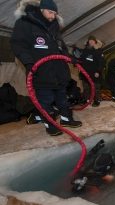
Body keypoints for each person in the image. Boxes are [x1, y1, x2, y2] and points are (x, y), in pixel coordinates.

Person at [11, 0, 82, 136]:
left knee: (62, 98)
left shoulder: (53, 26)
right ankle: (49, 124)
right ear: (41, 9)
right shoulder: (25, 23)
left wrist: (69, 58)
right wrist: (28, 62)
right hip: (41, 72)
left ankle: (66, 119)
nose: (53, 16)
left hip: (59, 72)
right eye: (50, 12)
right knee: (45, 100)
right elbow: (18, 45)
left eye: (55, 13)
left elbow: (61, 46)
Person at [79, 36, 105, 107]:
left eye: (92, 41)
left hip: (95, 73)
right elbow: (81, 60)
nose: (91, 42)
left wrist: (98, 71)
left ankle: (97, 100)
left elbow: (101, 62)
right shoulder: (85, 50)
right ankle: (86, 100)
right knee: (86, 87)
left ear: (95, 42)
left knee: (96, 87)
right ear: (88, 42)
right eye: (90, 41)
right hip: (85, 72)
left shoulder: (98, 51)